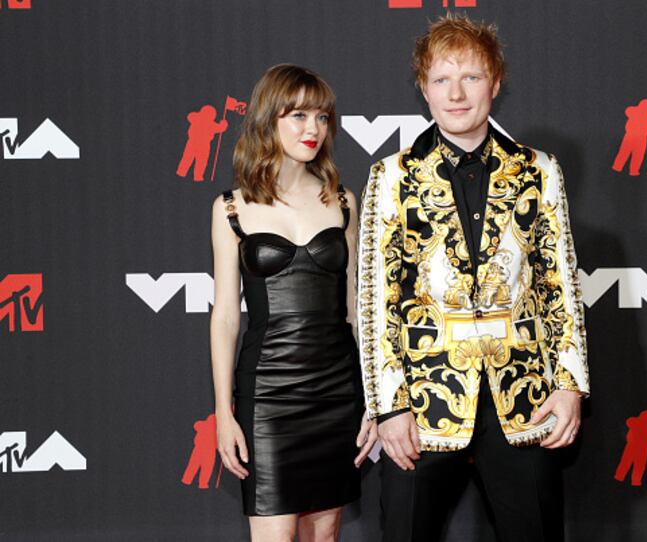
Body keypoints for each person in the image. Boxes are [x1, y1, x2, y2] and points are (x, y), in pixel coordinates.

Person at [357, 15, 589, 542]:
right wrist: (389, 406)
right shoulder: (390, 176)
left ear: (496, 84)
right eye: (441, 79)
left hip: (526, 401)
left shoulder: (539, 169)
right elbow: (376, 299)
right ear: (424, 89)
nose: (456, 94)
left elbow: (560, 284)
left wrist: (570, 385)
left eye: (471, 77)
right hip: (423, 405)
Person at [210, 64, 377, 542]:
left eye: (322, 117)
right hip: (268, 394)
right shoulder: (231, 208)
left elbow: (356, 310)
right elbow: (226, 318)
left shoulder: (343, 201)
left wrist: (372, 400)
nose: (313, 129)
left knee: (324, 538)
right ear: (269, 119)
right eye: (299, 115)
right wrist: (224, 412)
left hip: (337, 390)